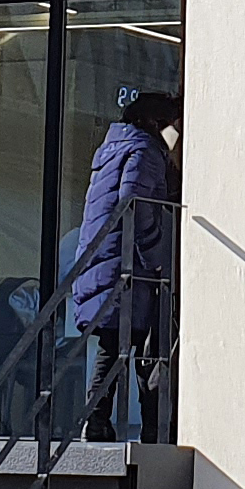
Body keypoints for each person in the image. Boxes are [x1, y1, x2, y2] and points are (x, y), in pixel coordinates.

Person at [68, 84, 179, 440]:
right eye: (171, 125)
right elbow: (136, 204)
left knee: (115, 344)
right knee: (141, 349)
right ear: (155, 123)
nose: (174, 135)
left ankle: (98, 421)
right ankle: (145, 430)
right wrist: (157, 256)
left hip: (107, 260)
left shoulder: (113, 150)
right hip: (127, 264)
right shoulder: (144, 151)